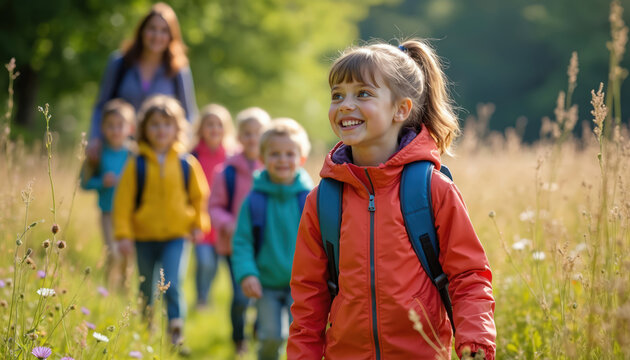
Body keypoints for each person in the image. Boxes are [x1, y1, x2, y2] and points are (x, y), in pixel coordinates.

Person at [287, 39, 496, 359]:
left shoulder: (433, 190)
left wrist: (476, 342)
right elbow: (308, 298)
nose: (345, 104)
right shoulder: (324, 200)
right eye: (337, 95)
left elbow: (468, 276)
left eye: (363, 93)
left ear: (401, 109)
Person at [113, 95, 210, 346]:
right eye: (154, 124)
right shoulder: (137, 163)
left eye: (167, 124)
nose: (161, 130)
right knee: (146, 288)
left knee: (172, 283)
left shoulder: (187, 163)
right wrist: (123, 235)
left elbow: (199, 197)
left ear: (177, 128)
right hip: (143, 236)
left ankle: (176, 333)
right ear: (144, 129)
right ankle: (147, 331)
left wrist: (199, 224)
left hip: (177, 236)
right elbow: (122, 203)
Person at [231, 118, 313, 360]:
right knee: (270, 337)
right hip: (265, 284)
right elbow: (242, 241)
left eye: (290, 153)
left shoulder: (310, 198)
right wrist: (247, 274)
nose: (283, 160)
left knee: (302, 337)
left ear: (301, 158)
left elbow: (325, 240)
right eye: (275, 154)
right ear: (263, 158)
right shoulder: (254, 200)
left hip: (303, 285)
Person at [87, 2, 197, 164]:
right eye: (152, 28)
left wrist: (184, 149)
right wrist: (95, 138)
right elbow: (101, 106)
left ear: (171, 36)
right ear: (142, 31)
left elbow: (189, 114)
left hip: (161, 155)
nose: (157, 35)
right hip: (121, 152)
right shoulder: (120, 63)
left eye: (164, 31)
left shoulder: (178, 70)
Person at [208, 107, 271, 355]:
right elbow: (214, 207)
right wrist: (228, 223)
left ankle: (258, 328)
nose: (253, 138)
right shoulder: (227, 172)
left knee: (263, 292)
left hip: (266, 244)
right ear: (239, 136)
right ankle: (238, 339)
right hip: (234, 244)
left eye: (259, 132)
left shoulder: (274, 167)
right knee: (240, 295)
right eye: (247, 133)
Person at [81, 98, 135, 290]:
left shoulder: (134, 154)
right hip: (108, 212)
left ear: (131, 128)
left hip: (130, 213)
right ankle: (106, 287)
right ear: (102, 128)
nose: (115, 130)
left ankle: (124, 290)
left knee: (128, 254)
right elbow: (84, 183)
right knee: (113, 252)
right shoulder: (98, 152)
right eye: (110, 125)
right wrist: (102, 182)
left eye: (120, 125)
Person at [190, 104, 235, 309]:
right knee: (205, 262)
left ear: (226, 128)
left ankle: (216, 298)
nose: (214, 129)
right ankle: (201, 298)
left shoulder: (231, 157)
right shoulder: (193, 156)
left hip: (223, 220)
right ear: (201, 128)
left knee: (217, 265)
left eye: (219, 125)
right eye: (209, 124)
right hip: (200, 218)